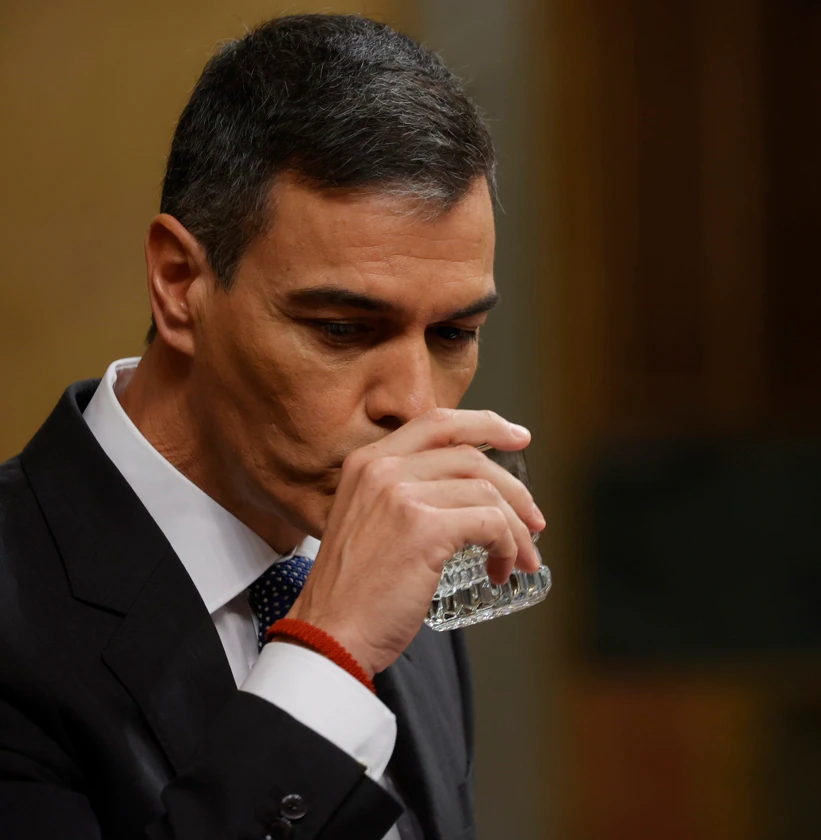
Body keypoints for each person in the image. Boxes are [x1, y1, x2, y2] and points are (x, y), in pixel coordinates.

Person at [0, 13, 543, 840]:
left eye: (453, 335)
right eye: (341, 329)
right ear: (180, 281)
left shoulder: (403, 579)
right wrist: (328, 654)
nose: (417, 406)